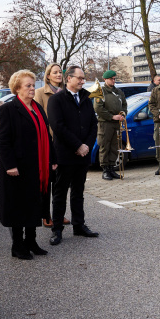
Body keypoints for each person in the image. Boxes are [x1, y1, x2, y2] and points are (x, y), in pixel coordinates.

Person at [0, 70, 57, 260]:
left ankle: (31, 241)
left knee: (34, 204)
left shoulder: (37, 107)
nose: (32, 88)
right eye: (28, 85)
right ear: (17, 88)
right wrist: (10, 165)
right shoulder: (8, 109)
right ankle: (17, 245)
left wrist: (52, 159)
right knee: (19, 206)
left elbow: (47, 136)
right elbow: (3, 141)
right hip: (18, 167)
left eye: (33, 85)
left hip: (38, 166)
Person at [47, 66, 99, 245]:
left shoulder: (86, 98)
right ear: (68, 78)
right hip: (64, 154)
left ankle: (79, 225)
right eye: (80, 78)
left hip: (82, 155)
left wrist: (86, 147)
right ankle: (57, 230)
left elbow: (93, 124)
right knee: (60, 193)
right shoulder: (56, 100)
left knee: (78, 192)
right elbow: (57, 126)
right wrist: (77, 145)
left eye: (84, 78)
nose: (83, 81)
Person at [34, 63, 67, 228]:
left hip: (64, 142)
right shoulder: (40, 93)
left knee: (61, 182)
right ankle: (45, 215)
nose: (59, 74)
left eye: (60, 72)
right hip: (48, 141)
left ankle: (58, 215)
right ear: (48, 76)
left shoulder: (66, 92)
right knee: (48, 180)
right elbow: (38, 117)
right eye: (55, 72)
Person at [94, 69, 127, 181]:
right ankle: (105, 170)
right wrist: (112, 116)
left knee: (115, 146)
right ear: (105, 80)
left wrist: (123, 114)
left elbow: (124, 104)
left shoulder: (118, 92)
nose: (113, 81)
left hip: (116, 123)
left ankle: (112, 168)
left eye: (114, 79)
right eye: (111, 79)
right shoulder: (101, 92)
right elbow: (98, 108)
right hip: (106, 123)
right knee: (104, 145)